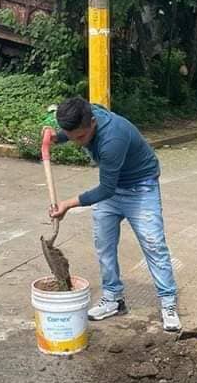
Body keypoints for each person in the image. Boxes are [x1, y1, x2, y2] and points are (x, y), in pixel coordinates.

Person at [44, 97, 180, 332]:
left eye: (81, 138)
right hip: (114, 187)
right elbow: (74, 132)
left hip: (140, 188)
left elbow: (105, 189)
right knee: (104, 244)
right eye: (72, 136)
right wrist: (56, 137)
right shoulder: (85, 114)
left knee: (153, 245)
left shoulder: (112, 140)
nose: (77, 143)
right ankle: (113, 299)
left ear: (93, 123)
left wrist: (67, 203)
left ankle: (168, 303)